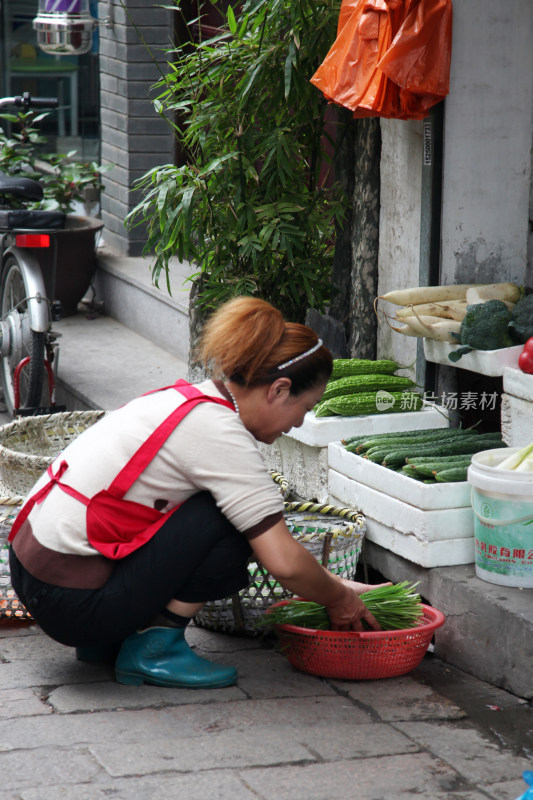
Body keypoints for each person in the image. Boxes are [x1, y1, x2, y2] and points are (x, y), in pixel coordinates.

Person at [8, 296, 383, 690]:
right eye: (304, 408)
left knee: (232, 511)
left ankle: (107, 640)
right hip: (72, 604)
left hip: (33, 573)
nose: (298, 424)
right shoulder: (221, 434)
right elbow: (283, 562)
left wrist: (344, 587)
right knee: (228, 520)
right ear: (278, 389)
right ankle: (154, 648)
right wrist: (338, 600)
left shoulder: (188, 400)